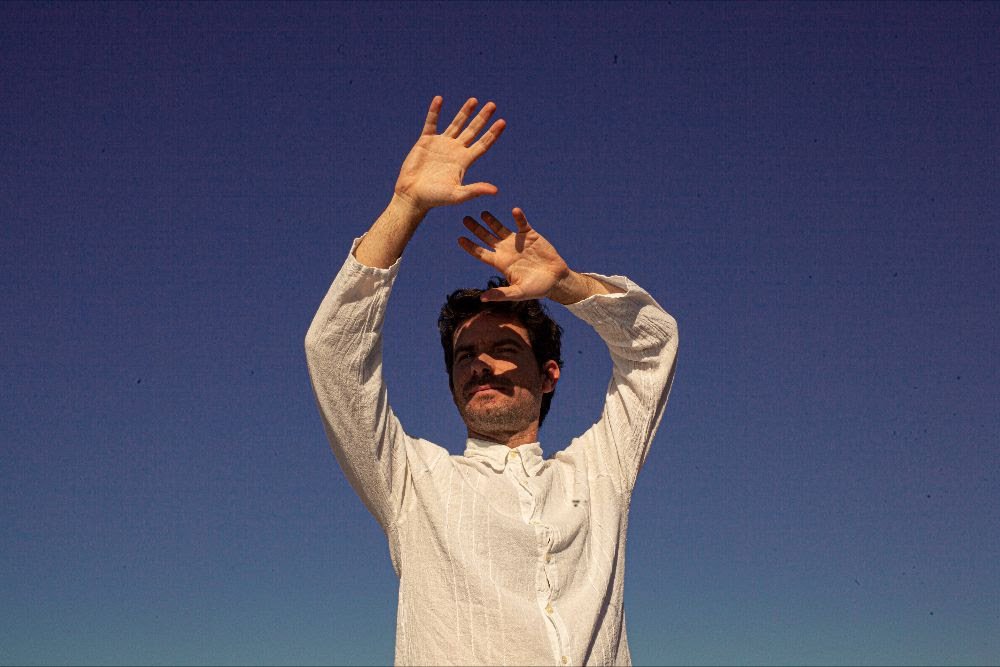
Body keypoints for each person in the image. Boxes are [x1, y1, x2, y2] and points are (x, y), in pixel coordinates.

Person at [305, 96, 678, 666]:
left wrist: (567, 285)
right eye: (465, 356)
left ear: (548, 375)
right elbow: (334, 351)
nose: (481, 364)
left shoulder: (599, 473)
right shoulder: (413, 483)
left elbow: (652, 346)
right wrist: (406, 205)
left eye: (504, 350)